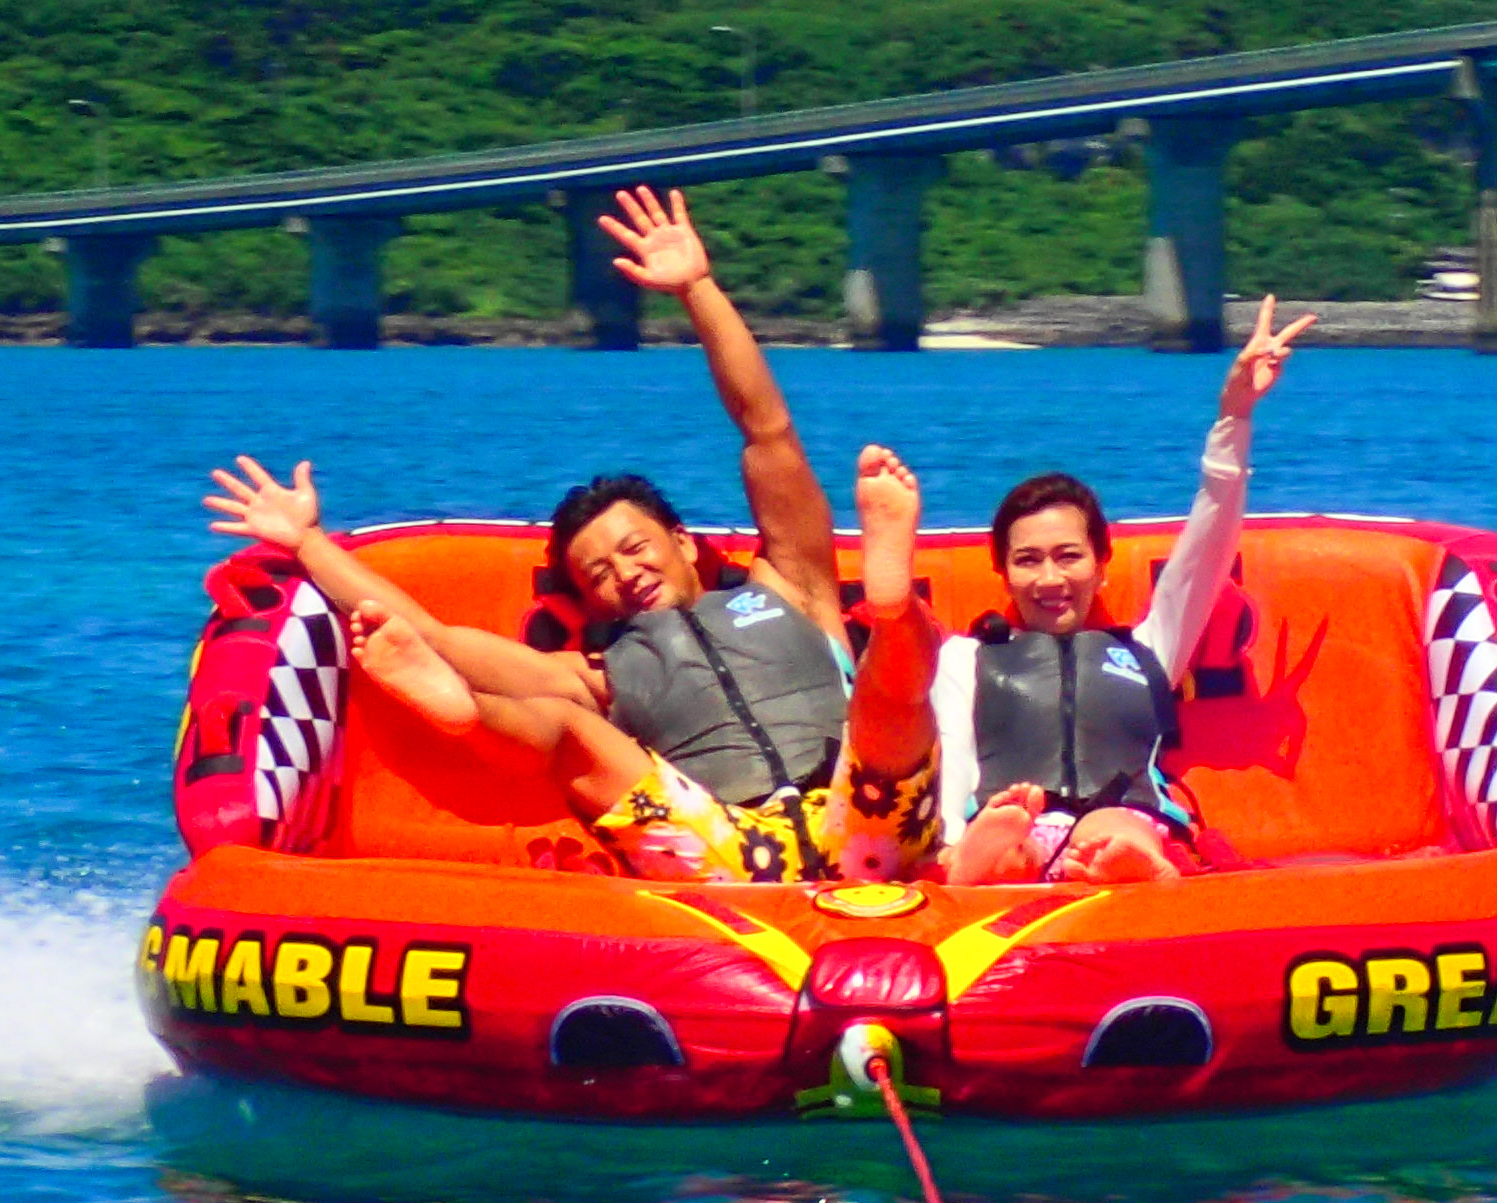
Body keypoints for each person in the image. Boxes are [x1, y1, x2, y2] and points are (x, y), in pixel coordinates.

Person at [202, 184, 941, 883]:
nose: (622, 572)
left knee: (888, 694)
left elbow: (767, 433)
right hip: (721, 845)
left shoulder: (791, 586)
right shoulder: (597, 675)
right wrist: (307, 542)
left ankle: (889, 598)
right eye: (597, 574)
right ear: (587, 602)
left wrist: (696, 291)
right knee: (563, 728)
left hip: (871, 812)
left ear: (685, 544)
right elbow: (431, 631)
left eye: (634, 547)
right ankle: (465, 714)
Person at [930, 295, 1315, 885]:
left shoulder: (1148, 649)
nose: (1051, 579)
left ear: (1102, 564)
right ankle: (991, 860)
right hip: (1009, 823)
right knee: (1011, 834)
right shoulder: (967, 659)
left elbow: (1208, 550)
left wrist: (1234, 416)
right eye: (1028, 561)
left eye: (1069, 557)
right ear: (1003, 572)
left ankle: (1128, 865)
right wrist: (953, 841)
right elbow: (952, 759)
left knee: (1117, 825)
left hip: (1123, 819)